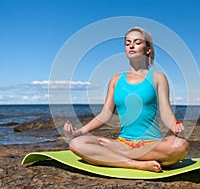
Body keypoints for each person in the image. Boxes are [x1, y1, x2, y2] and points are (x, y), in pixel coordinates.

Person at [63, 27, 189, 172]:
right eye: (127, 42)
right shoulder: (115, 80)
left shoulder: (158, 78)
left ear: (148, 49)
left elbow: (166, 112)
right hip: (123, 143)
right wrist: (78, 132)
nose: (131, 45)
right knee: (76, 144)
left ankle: (117, 155)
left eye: (137, 42)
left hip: (151, 145)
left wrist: (176, 127)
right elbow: (105, 115)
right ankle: (134, 163)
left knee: (180, 146)